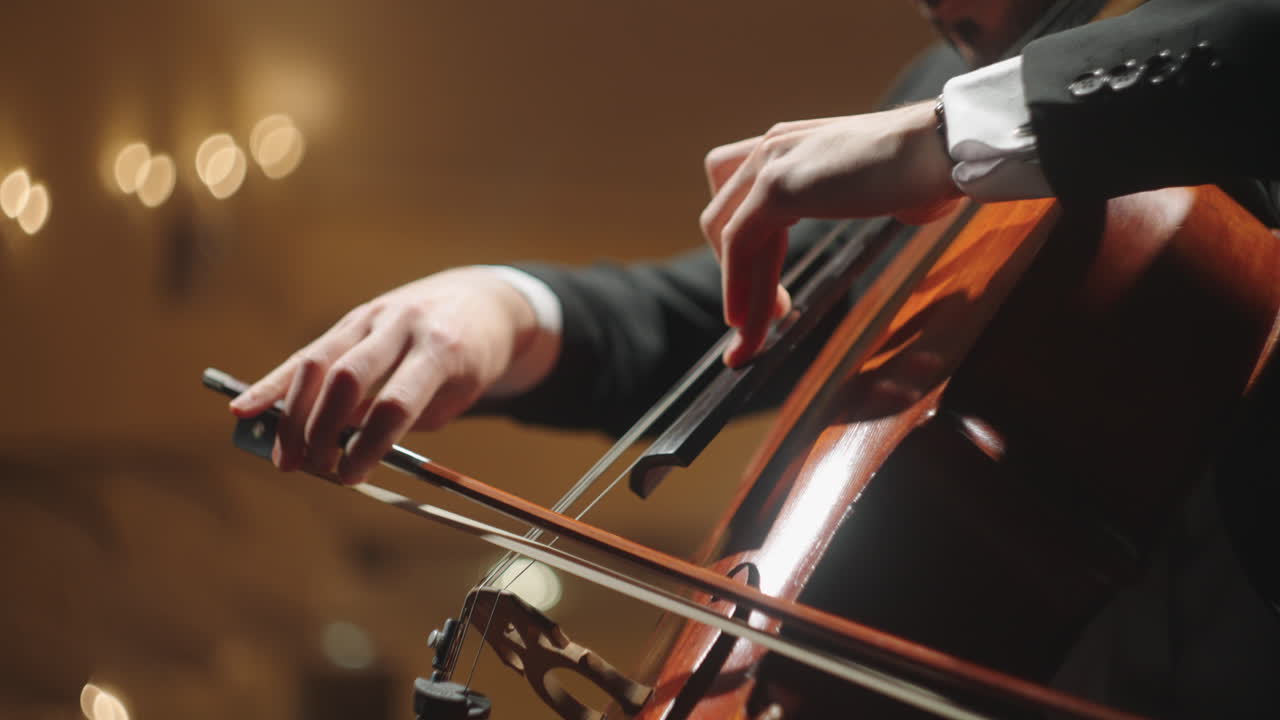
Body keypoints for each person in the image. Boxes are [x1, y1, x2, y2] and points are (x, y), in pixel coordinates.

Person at [229, 0, 1280, 714]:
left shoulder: (997, 96)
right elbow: (732, 311)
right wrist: (499, 312)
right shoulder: (944, 79)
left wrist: (958, 131)